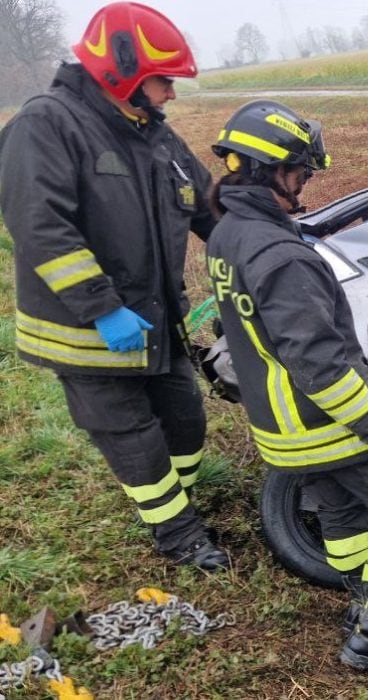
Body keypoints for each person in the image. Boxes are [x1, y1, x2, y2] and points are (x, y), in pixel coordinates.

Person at [204, 100, 368, 685]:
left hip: (278, 426)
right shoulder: (282, 256)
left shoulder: (229, 233)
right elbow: (321, 363)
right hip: (320, 419)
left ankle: (361, 597)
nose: (306, 185)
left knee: (341, 507)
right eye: (302, 173)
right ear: (271, 169)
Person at [0, 2, 228, 570]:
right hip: (88, 329)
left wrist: (264, 235)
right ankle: (178, 535)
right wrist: (103, 309)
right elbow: (40, 226)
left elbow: (208, 206)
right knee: (132, 433)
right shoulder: (45, 124)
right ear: (122, 71)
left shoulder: (153, 135)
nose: (171, 94)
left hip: (155, 319)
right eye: (163, 81)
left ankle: (178, 503)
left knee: (185, 419)